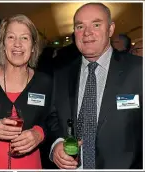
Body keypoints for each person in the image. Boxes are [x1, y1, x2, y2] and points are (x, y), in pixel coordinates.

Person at [50, 3, 142, 169]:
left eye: (96, 24)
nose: (87, 33)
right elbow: (52, 118)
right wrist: (56, 144)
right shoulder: (61, 74)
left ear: (111, 29)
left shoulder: (138, 70)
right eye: (80, 26)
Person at [0, 14, 53, 169]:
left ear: (33, 47)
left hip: (28, 165)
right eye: (11, 37)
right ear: (3, 45)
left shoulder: (44, 83)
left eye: (25, 38)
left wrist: (39, 133)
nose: (17, 44)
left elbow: (52, 121)